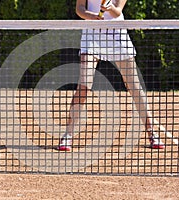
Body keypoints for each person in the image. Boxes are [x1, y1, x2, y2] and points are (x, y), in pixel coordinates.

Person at [57, 0, 165, 151]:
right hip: (92, 33)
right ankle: (67, 136)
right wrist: (93, 16)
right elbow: (80, 9)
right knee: (84, 86)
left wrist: (110, 8)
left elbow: (118, 11)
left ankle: (152, 133)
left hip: (116, 33)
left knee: (134, 86)